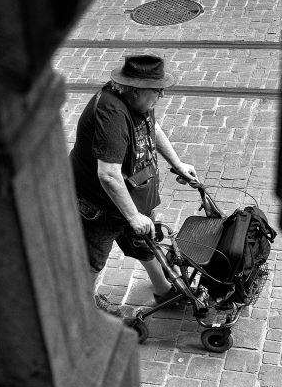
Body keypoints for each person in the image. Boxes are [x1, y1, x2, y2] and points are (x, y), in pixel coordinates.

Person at [70, 54, 199, 313]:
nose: (160, 96)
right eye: (157, 91)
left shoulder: (139, 102)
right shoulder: (112, 113)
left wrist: (178, 164)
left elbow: (154, 127)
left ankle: (163, 290)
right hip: (100, 203)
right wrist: (132, 216)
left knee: (144, 239)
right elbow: (107, 175)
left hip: (132, 193)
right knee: (92, 261)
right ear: (135, 89)